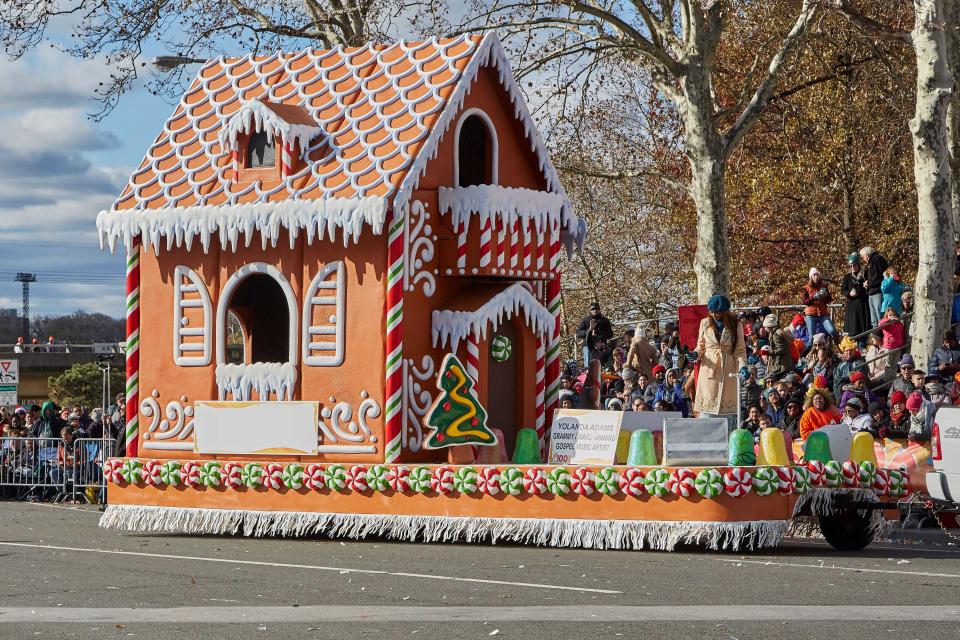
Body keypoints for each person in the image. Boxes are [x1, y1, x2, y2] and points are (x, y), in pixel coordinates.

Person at [693, 295, 748, 431]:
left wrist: (743, 366)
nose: (713, 314)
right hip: (709, 370)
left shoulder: (736, 324)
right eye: (711, 311)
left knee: (728, 411)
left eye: (717, 311)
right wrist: (695, 354)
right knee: (708, 411)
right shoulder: (704, 323)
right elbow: (700, 346)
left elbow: (740, 350)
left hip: (729, 370)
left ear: (725, 311)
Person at [841, 252, 870, 341]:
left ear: (858, 264)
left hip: (863, 304)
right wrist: (849, 293)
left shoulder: (865, 274)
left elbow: (868, 287)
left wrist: (862, 287)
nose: (852, 267)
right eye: (851, 266)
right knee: (853, 327)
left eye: (854, 265)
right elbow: (843, 290)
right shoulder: (847, 277)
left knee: (863, 326)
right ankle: (854, 346)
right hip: (852, 305)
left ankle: (863, 344)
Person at [801, 268, 837, 340]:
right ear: (811, 277)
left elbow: (829, 299)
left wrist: (826, 294)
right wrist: (814, 297)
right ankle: (812, 351)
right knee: (812, 338)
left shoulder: (823, 286)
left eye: (817, 275)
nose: (816, 277)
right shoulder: (806, 288)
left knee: (832, 331)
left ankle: (840, 346)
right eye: (814, 275)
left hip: (823, 314)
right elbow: (804, 302)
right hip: (811, 314)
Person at [575, 302, 613, 367]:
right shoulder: (585, 320)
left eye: (596, 309)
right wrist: (589, 332)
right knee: (588, 365)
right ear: (590, 310)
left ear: (599, 309)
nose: (595, 311)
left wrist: (600, 333)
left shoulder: (605, 320)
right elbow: (578, 333)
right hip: (588, 345)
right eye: (593, 309)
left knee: (603, 364)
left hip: (602, 346)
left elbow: (610, 334)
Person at [860, 246, 889, 326]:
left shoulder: (876, 259)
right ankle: (876, 337)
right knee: (874, 320)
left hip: (878, 292)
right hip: (872, 292)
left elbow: (878, 276)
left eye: (863, 257)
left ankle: (883, 336)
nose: (863, 259)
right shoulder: (873, 261)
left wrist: (868, 283)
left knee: (880, 318)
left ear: (867, 255)